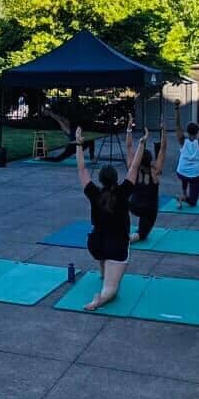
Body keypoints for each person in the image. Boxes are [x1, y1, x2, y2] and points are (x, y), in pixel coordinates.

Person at [76, 124, 146, 312]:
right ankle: (98, 300)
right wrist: (142, 144)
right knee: (111, 291)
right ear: (116, 179)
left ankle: (103, 271)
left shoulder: (94, 193)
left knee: (102, 245)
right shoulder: (123, 191)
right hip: (116, 247)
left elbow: (82, 169)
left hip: (95, 244)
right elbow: (134, 166)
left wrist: (79, 144)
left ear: (100, 180)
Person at [125, 118, 167, 242]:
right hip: (149, 210)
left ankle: (117, 228)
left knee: (121, 199)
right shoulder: (155, 171)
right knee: (142, 235)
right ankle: (131, 237)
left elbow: (128, 147)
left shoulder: (133, 169)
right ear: (150, 160)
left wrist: (129, 129)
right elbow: (163, 149)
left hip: (133, 206)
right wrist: (163, 130)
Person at [174, 99, 199, 208]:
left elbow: (177, 124)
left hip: (181, 172)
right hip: (195, 176)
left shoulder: (182, 140)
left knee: (185, 176)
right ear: (198, 132)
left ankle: (184, 192)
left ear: (187, 132)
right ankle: (183, 197)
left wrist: (177, 107)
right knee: (193, 203)